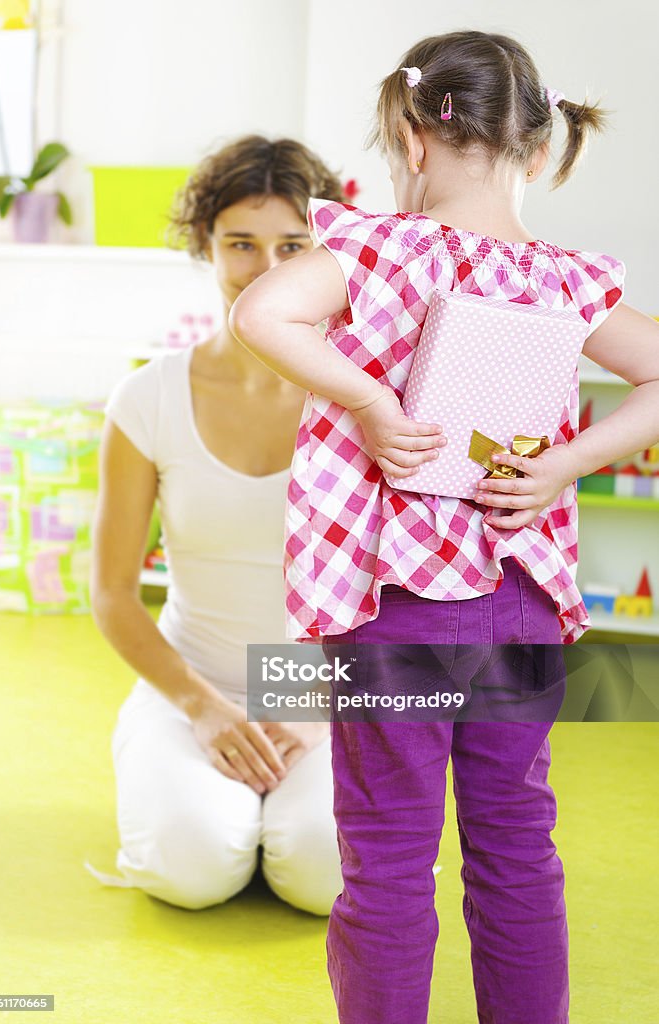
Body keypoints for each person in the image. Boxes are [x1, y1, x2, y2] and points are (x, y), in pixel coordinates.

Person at [229, 31, 659, 1024]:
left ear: (411, 143)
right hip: (521, 607)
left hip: (395, 614)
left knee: (385, 859)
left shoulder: (381, 251)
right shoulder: (565, 279)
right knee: (516, 847)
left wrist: (373, 403)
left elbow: (263, 315)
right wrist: (565, 463)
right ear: (540, 152)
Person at [90, 135, 345, 915]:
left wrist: (319, 701)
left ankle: (279, 825)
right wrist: (201, 706)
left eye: (292, 246)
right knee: (194, 872)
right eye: (241, 243)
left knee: (322, 876)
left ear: (322, 252)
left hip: (329, 691)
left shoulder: (361, 395)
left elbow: (411, 586)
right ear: (205, 244)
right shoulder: (148, 399)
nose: (266, 269)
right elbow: (112, 595)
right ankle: (227, 815)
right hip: (188, 683)